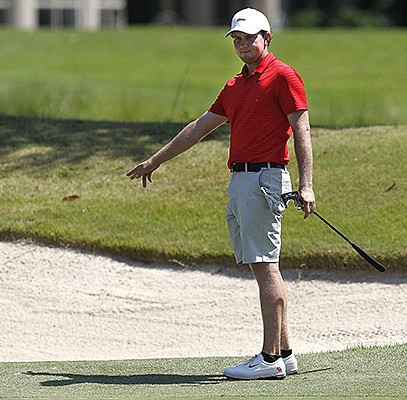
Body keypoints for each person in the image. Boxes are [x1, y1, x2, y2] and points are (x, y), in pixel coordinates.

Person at [126, 7, 315, 380]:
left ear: (267, 39)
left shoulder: (283, 76)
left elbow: (303, 131)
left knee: (266, 267)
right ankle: (286, 354)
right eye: (238, 40)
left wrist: (306, 184)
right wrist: (155, 161)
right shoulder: (234, 86)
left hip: (265, 179)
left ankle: (268, 358)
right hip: (241, 181)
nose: (243, 45)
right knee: (262, 266)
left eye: (250, 38)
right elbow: (197, 129)